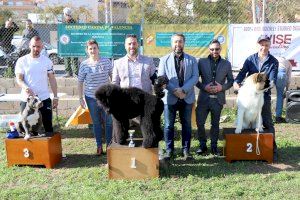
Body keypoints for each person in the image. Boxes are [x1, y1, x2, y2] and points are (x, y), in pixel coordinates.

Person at [233, 35, 279, 161]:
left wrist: (265, 87)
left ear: (270, 45)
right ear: (258, 45)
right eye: (262, 44)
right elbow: (242, 73)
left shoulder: (273, 61)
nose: (264, 47)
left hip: (264, 95)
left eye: (266, 44)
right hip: (249, 95)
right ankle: (240, 148)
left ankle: (272, 150)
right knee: (243, 116)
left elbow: (272, 80)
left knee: (268, 122)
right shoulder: (250, 59)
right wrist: (236, 82)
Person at [158, 33, 198, 160]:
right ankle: (169, 150)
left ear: (184, 43)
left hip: (187, 97)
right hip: (170, 98)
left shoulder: (192, 60)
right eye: (175, 42)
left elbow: (195, 77)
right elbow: (161, 78)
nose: (177, 44)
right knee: (169, 125)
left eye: (180, 41)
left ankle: (186, 151)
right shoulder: (164, 60)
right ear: (171, 43)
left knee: (186, 124)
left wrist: (183, 90)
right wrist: (174, 90)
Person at [196, 39, 234, 156]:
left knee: (215, 124)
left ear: (220, 49)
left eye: (217, 49)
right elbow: (195, 80)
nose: (214, 51)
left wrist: (221, 87)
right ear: (209, 49)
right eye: (212, 49)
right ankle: (202, 146)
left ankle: (214, 147)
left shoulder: (226, 64)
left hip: (218, 99)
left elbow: (231, 81)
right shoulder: (201, 62)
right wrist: (204, 87)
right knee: (200, 123)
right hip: (204, 98)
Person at [15, 36, 58, 134]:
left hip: (44, 99)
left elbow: (52, 79)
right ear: (29, 46)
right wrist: (26, 87)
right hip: (27, 100)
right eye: (34, 46)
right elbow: (19, 79)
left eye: (38, 47)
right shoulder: (22, 60)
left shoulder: (47, 61)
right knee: (25, 129)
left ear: (42, 47)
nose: (36, 49)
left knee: (48, 128)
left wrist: (55, 97)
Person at [78, 39, 112, 156]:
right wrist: (80, 98)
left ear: (98, 49)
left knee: (108, 122)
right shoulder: (84, 64)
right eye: (90, 48)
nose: (93, 50)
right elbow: (80, 81)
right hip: (91, 98)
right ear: (87, 51)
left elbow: (113, 77)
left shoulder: (107, 62)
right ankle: (99, 146)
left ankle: (109, 146)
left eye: (95, 48)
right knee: (96, 122)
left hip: (106, 99)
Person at [275, 56, 292, 123]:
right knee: (280, 96)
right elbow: (289, 79)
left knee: (265, 95)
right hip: (281, 74)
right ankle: (278, 117)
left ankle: (263, 116)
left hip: (271, 73)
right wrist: (287, 89)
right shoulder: (288, 63)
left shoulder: (273, 58)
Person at [63, 7, 78, 77]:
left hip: (73, 42)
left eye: (67, 14)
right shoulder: (63, 23)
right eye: (65, 14)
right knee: (66, 57)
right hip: (66, 42)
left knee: (74, 57)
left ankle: (76, 72)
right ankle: (68, 72)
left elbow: (76, 31)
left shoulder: (73, 22)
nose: (66, 16)